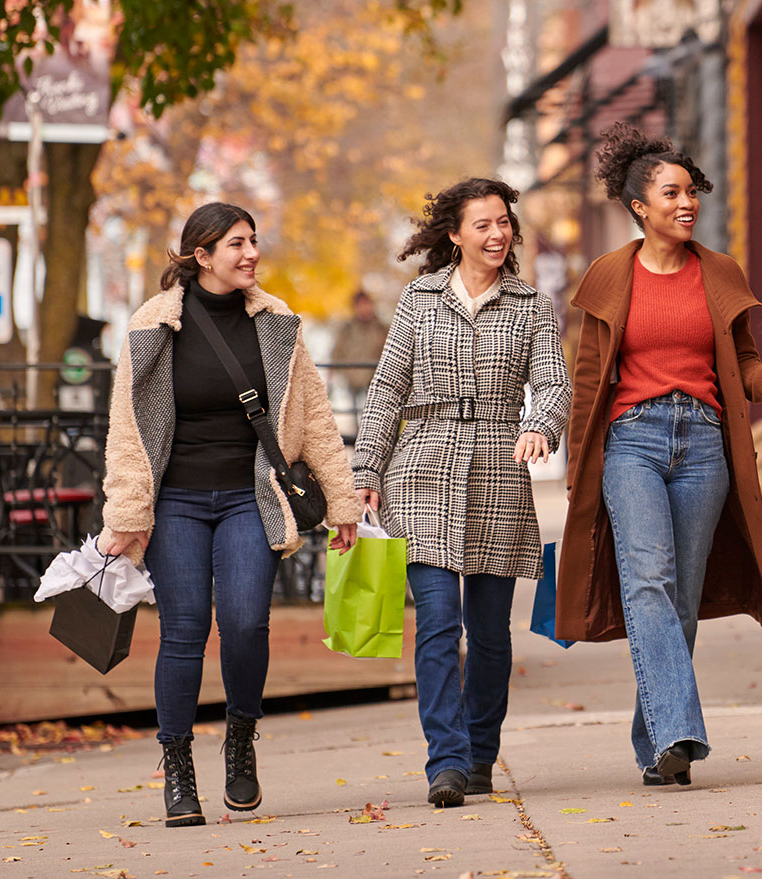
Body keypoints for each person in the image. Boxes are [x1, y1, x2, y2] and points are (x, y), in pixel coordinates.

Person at [554, 126, 762, 789]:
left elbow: (746, 367)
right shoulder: (610, 274)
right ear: (640, 204)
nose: (686, 201)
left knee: (681, 596)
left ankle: (654, 743)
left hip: (703, 443)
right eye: (671, 192)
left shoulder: (719, 271)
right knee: (648, 580)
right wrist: (580, 465)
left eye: (691, 190)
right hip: (632, 439)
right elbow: (588, 382)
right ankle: (679, 731)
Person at [96, 202, 361, 828]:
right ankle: (178, 766)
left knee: (245, 622)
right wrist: (127, 511)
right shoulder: (152, 328)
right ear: (201, 256)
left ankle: (240, 735)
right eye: (235, 244)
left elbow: (315, 422)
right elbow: (127, 432)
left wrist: (343, 498)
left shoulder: (277, 324)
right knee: (184, 630)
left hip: (252, 495)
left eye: (252, 241)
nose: (250, 254)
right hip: (178, 502)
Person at [352, 178, 571, 808]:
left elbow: (553, 383)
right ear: (455, 234)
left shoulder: (530, 306)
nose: (498, 234)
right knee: (438, 625)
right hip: (419, 469)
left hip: (498, 473)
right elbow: (389, 390)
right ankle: (444, 762)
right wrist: (366, 470)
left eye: (504, 222)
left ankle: (480, 751)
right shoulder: (418, 301)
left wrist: (539, 425)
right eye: (483, 224)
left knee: (491, 634)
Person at [332, 289, 390, 427]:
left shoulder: (382, 327)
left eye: (366, 304)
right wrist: (343, 372)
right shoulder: (347, 328)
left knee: (375, 418)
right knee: (353, 417)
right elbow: (336, 353)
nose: (364, 308)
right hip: (352, 379)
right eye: (360, 304)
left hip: (375, 380)